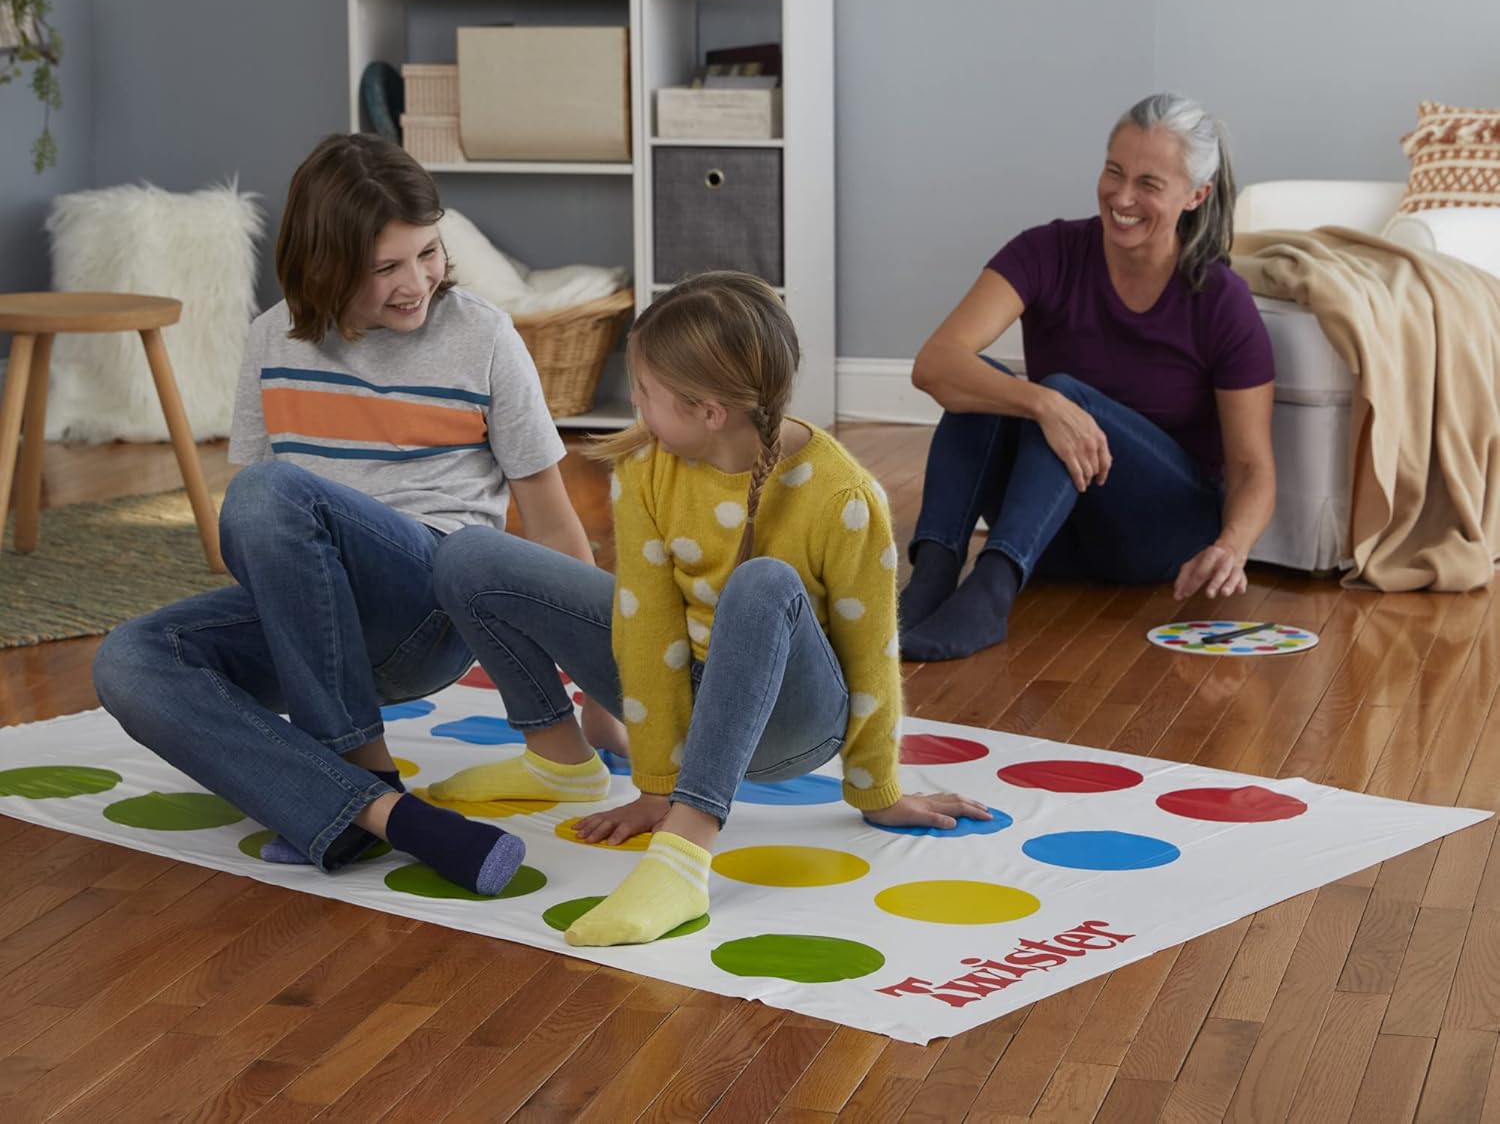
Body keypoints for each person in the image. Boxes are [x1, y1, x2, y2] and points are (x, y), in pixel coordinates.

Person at [93, 134, 608, 896]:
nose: (417, 283)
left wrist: (599, 696)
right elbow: (261, 547)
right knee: (130, 660)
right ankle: (373, 814)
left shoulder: (483, 335)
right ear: (324, 266)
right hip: (313, 622)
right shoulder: (271, 339)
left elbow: (553, 523)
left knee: (267, 491)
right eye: (385, 268)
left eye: (428, 253)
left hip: (429, 600)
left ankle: (354, 766)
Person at [427, 270, 989, 946]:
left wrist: (879, 790)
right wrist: (656, 781)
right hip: (689, 705)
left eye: (646, 394)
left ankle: (685, 854)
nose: (636, 406)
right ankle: (560, 761)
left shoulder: (843, 496)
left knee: (762, 584)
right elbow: (648, 632)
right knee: (471, 557)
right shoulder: (647, 468)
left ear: (708, 412)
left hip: (789, 725)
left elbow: (870, 653)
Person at [898, 92, 1276, 662]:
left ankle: (991, 591)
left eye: (1149, 184)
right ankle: (931, 576)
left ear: (1195, 195)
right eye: (1114, 172)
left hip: (1154, 536)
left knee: (1065, 393)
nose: (1122, 197)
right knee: (986, 386)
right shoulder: (1046, 251)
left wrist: (1232, 545)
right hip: (1050, 534)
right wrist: (1045, 407)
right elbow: (935, 364)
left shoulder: (1222, 300)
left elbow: (1252, 466)